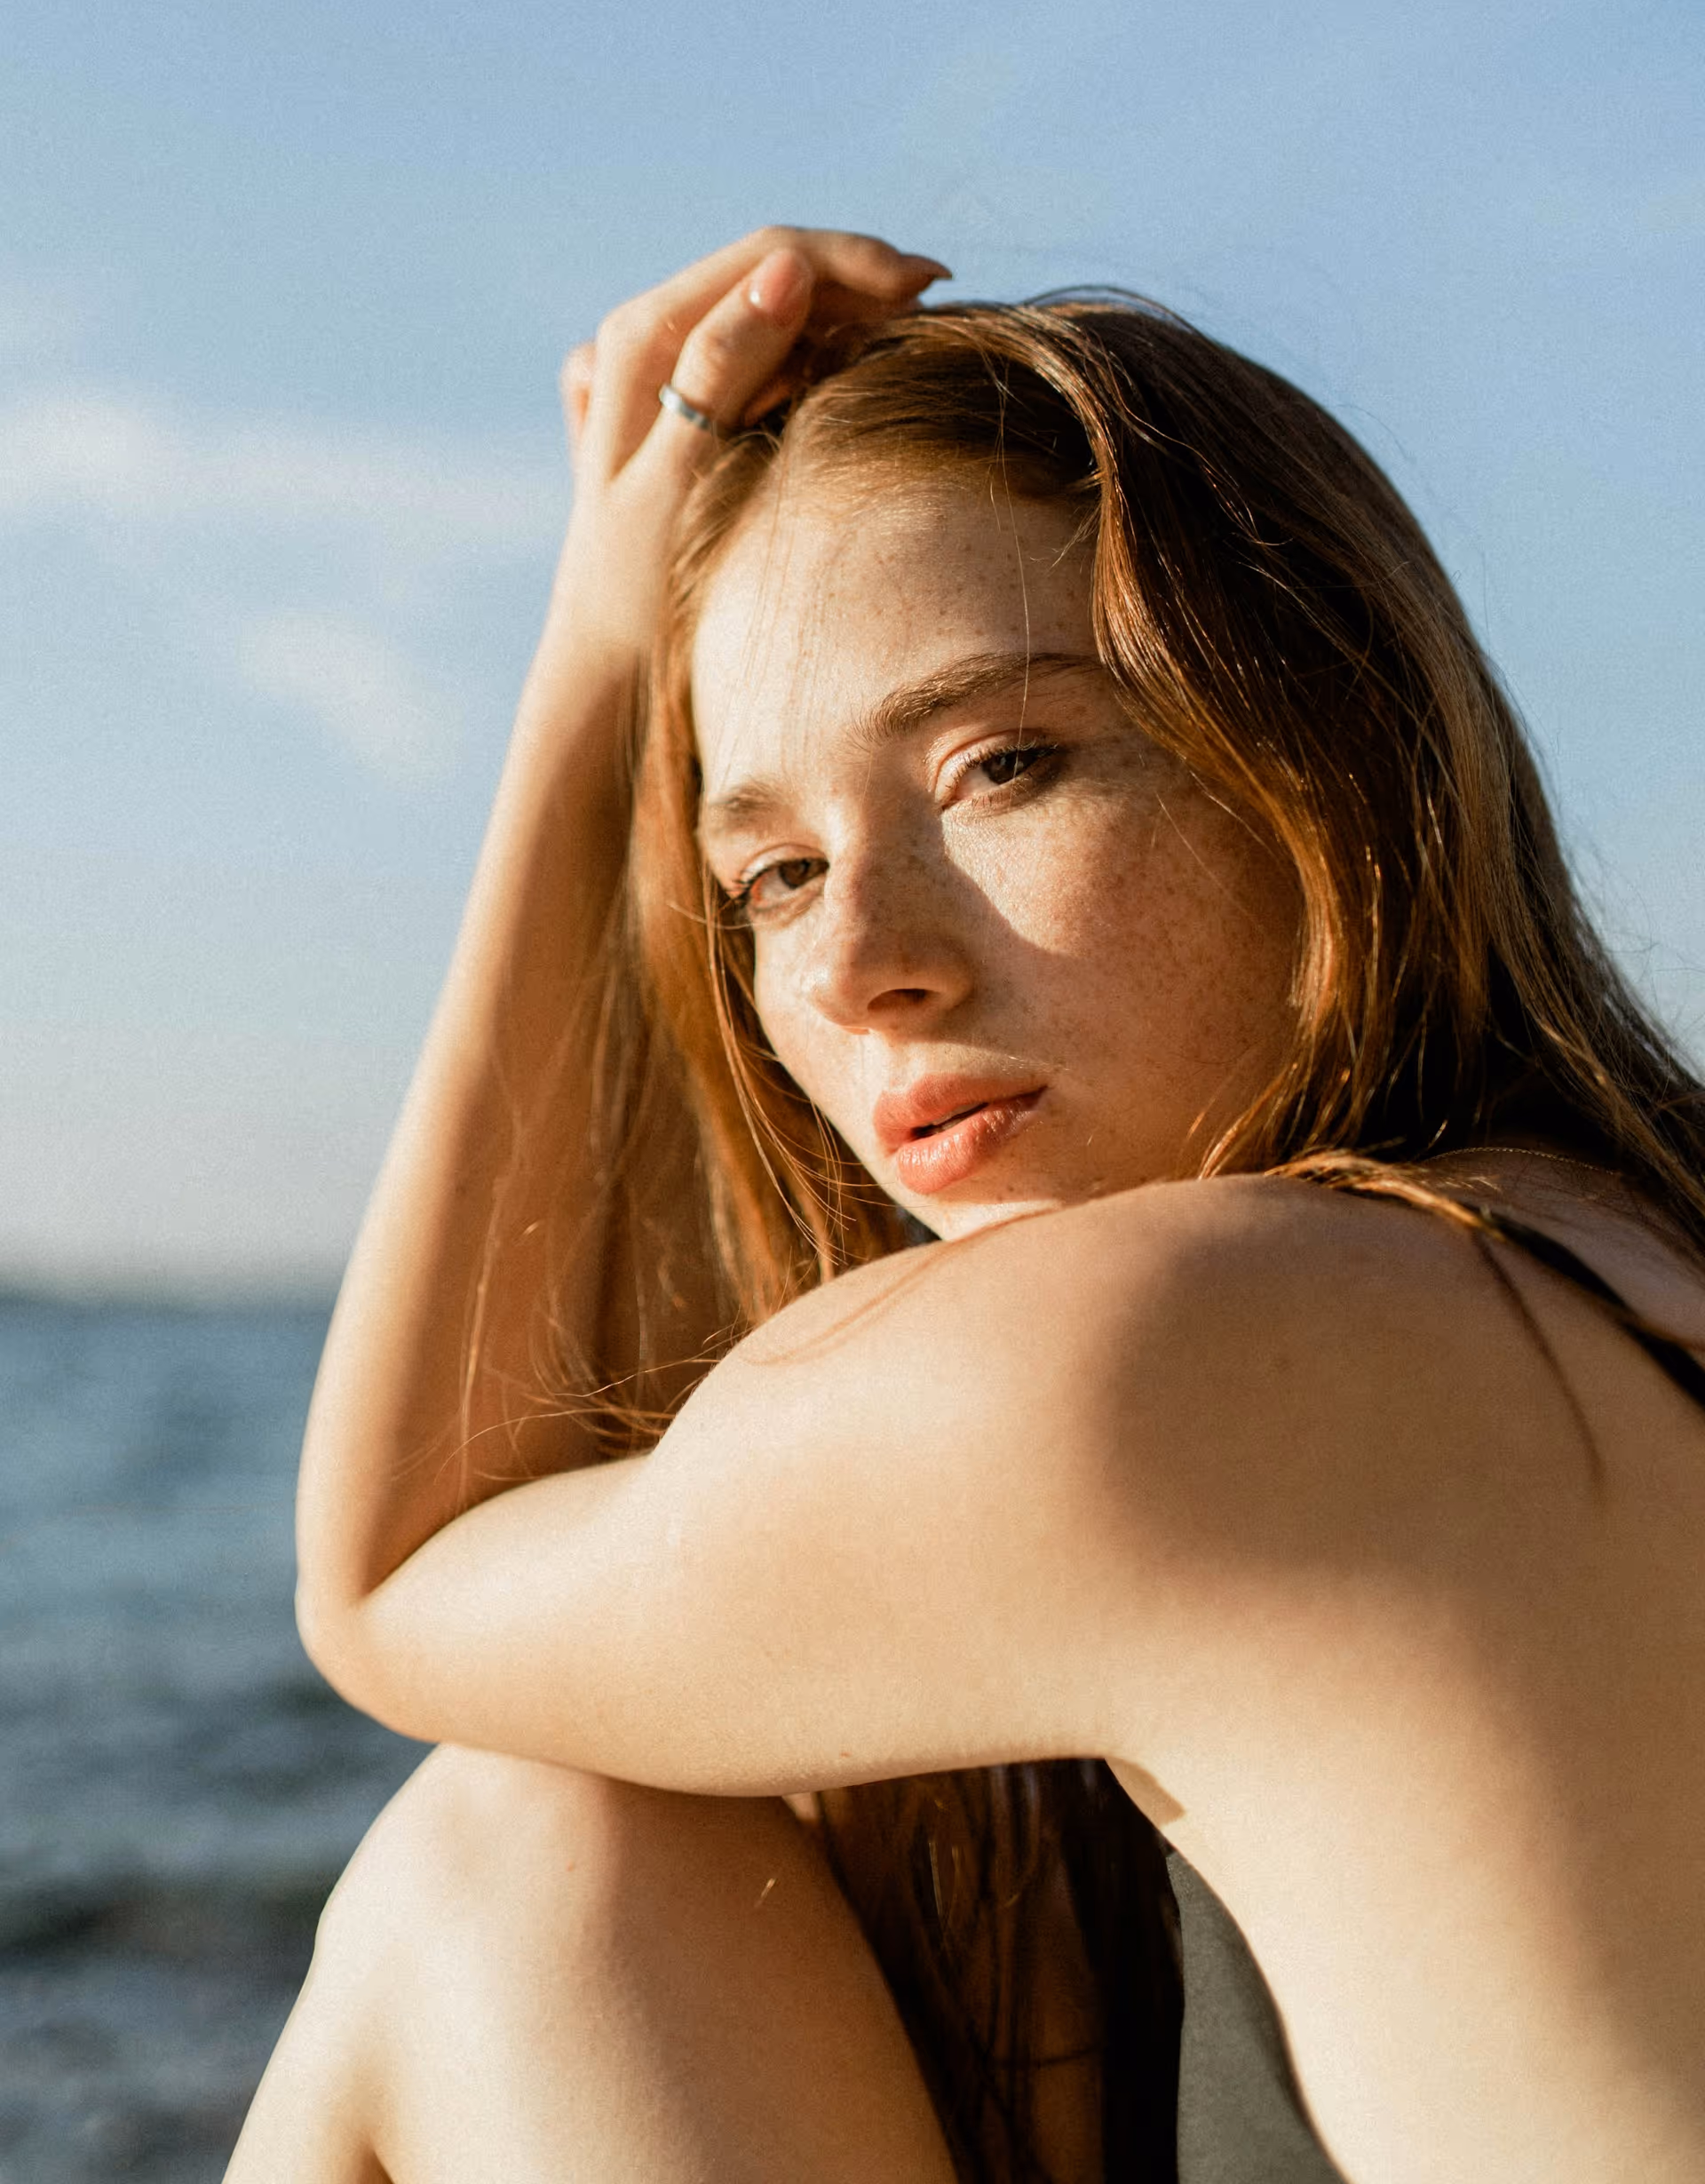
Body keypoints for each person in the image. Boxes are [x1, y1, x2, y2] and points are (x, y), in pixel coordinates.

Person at [226, 229, 1705, 2184]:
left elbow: (396, 1573)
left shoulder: (1184, 1351)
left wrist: (589, 653)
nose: (858, 969)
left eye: (1003, 765)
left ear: (1327, 749)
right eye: (769, 877)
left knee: (506, 1870)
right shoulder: (1623, 1255)